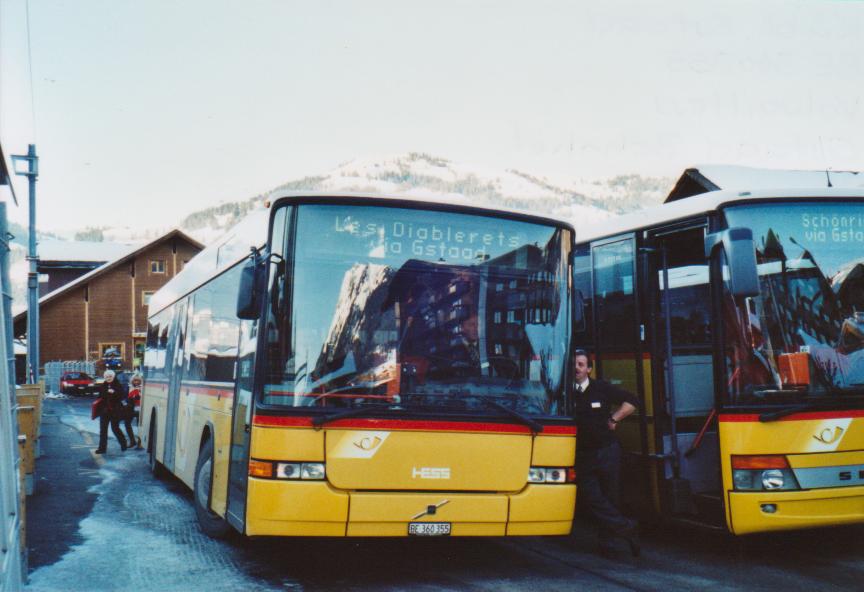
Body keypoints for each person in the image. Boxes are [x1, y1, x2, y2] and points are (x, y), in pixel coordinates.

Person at [571, 349, 640, 557]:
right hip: (583, 454)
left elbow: (632, 402)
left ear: (589, 369)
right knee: (592, 498)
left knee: (610, 498)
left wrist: (615, 419)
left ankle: (608, 544)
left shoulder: (601, 388)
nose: (577, 368)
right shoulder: (564, 391)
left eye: (581, 364)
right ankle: (628, 528)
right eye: (574, 364)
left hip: (607, 451)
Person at [94, 369, 128, 454]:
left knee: (115, 428)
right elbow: (100, 397)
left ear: (113, 377)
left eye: (110, 376)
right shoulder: (103, 385)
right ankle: (102, 448)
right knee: (103, 430)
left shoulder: (118, 385)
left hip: (115, 411)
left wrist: (114, 392)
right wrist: (106, 392)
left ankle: (124, 444)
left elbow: (122, 396)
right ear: (104, 377)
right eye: (106, 377)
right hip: (104, 411)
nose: (108, 378)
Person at [123, 373, 143, 449]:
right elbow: (124, 397)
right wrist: (126, 403)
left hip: (140, 409)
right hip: (130, 408)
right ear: (132, 380)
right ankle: (132, 441)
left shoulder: (143, 388)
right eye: (135, 380)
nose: (136, 382)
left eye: (138, 380)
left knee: (140, 426)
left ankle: (140, 443)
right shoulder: (128, 387)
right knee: (127, 424)